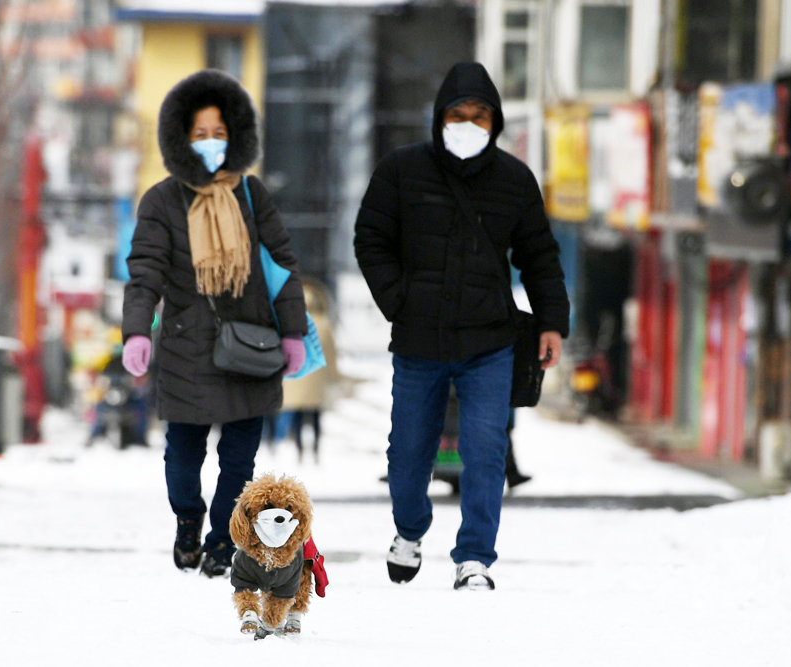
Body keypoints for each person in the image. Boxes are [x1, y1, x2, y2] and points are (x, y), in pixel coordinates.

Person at [353, 62, 569, 590]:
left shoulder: (514, 180)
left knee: (485, 448)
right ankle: (408, 531)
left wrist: (551, 323)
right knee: (408, 451)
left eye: (479, 115)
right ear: (439, 118)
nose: (468, 123)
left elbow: (539, 256)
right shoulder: (401, 171)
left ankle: (475, 557)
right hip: (418, 340)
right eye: (458, 114)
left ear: (494, 122)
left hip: (489, 341)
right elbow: (370, 239)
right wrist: (398, 301)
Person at [121, 69, 308, 578]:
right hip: (186, 348)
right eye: (200, 134)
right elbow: (145, 271)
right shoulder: (161, 200)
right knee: (183, 456)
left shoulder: (251, 195)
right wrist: (138, 329)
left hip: (250, 345)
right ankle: (188, 517)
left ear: (237, 137)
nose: (209, 143)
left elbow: (281, 264)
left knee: (239, 460)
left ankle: (224, 541)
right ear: (182, 139)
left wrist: (293, 331)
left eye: (219, 133)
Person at [280, 277, 340, 463]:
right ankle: (315, 450)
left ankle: (299, 449)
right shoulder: (324, 322)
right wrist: (334, 375)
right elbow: (330, 352)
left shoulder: (292, 319)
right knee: (315, 416)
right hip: (317, 376)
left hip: (296, 376)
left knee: (297, 416)